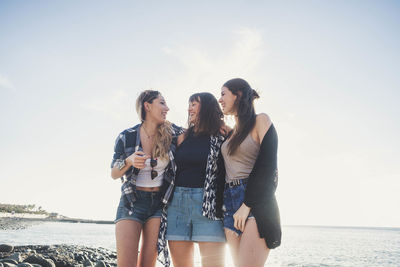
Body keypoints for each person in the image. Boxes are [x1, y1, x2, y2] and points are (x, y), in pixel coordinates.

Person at [110, 90, 183, 267]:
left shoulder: (173, 134)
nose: (167, 108)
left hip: (159, 204)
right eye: (162, 103)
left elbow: (199, 132)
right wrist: (129, 161)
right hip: (131, 202)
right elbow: (114, 173)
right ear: (147, 106)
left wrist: (223, 126)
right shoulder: (126, 136)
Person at [158, 92, 226, 267]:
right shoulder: (182, 136)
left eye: (194, 104)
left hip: (208, 206)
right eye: (189, 104)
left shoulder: (222, 135)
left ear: (207, 107)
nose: (189, 108)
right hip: (177, 205)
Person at [219, 78, 281, 267]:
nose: (219, 99)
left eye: (223, 94)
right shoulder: (230, 134)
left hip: (255, 203)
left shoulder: (260, 120)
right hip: (229, 204)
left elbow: (268, 166)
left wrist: (247, 205)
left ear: (237, 95)